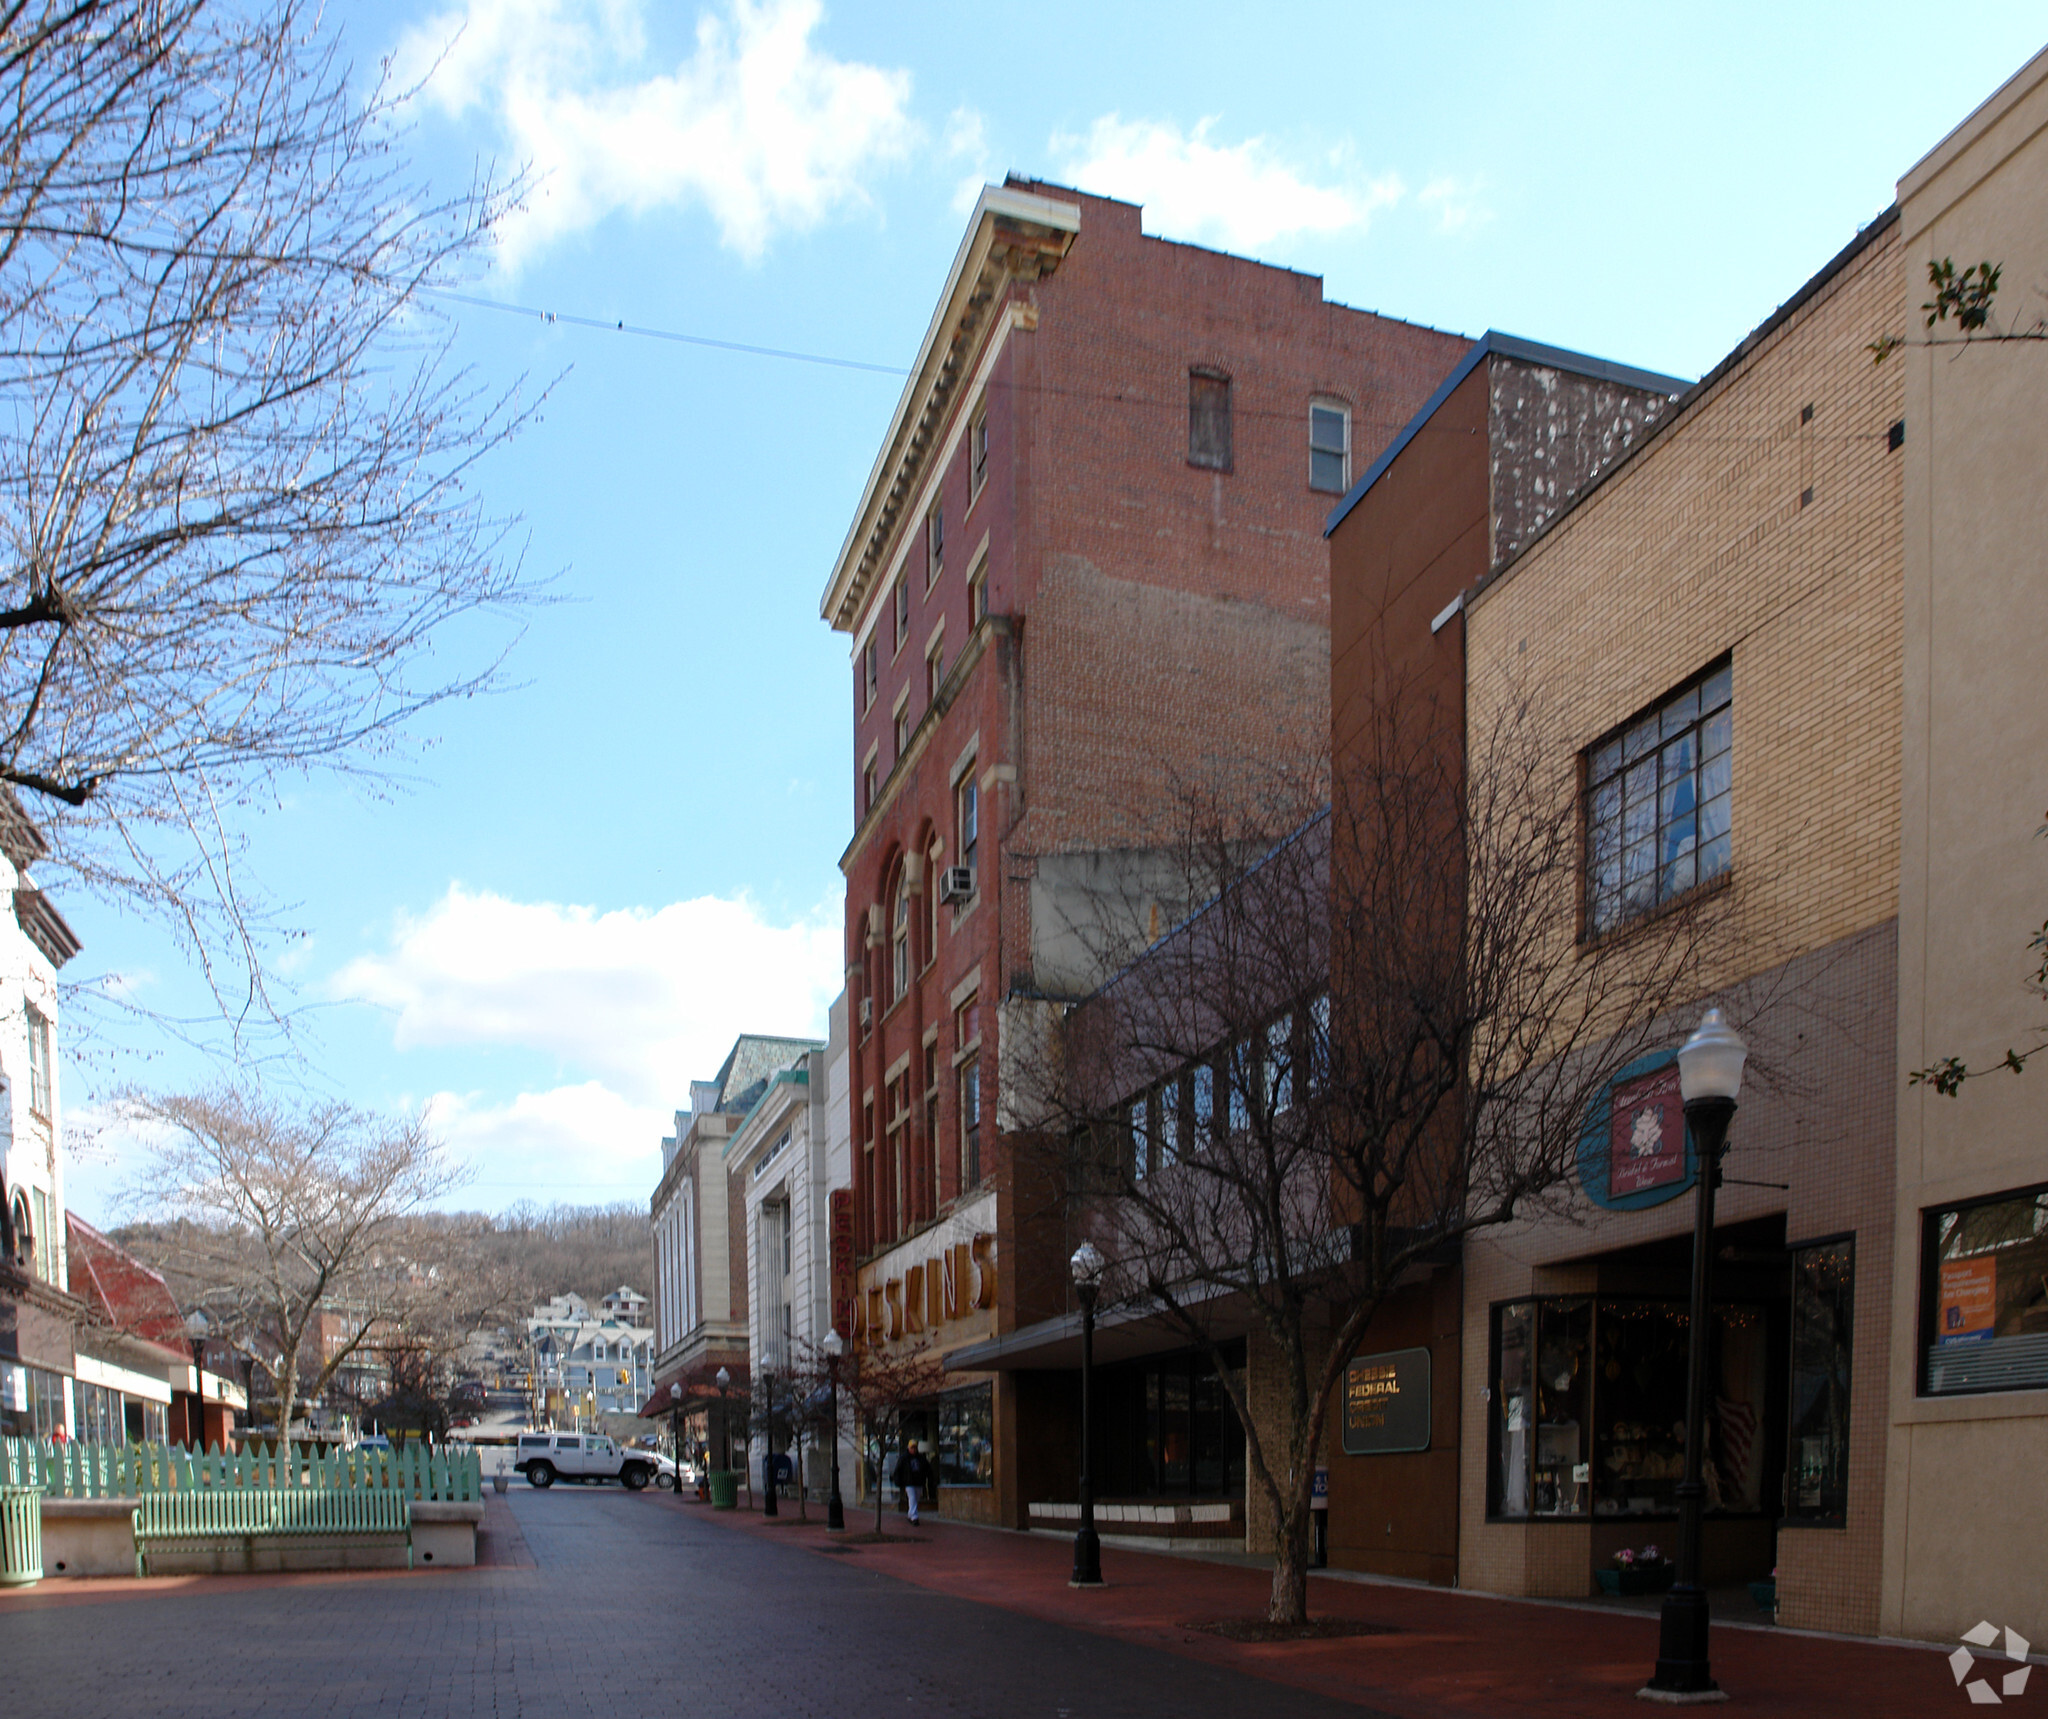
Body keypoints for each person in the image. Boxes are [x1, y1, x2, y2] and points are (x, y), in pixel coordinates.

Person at [891, 1439, 933, 1525]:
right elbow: (898, 1469)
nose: (913, 1449)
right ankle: (914, 1517)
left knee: (916, 1498)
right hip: (909, 1482)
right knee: (912, 1498)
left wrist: (929, 1478)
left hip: (918, 1481)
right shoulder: (904, 1458)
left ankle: (910, 1514)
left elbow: (927, 1469)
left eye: (915, 1447)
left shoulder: (921, 1458)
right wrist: (898, 1480)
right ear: (908, 1448)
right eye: (912, 1448)